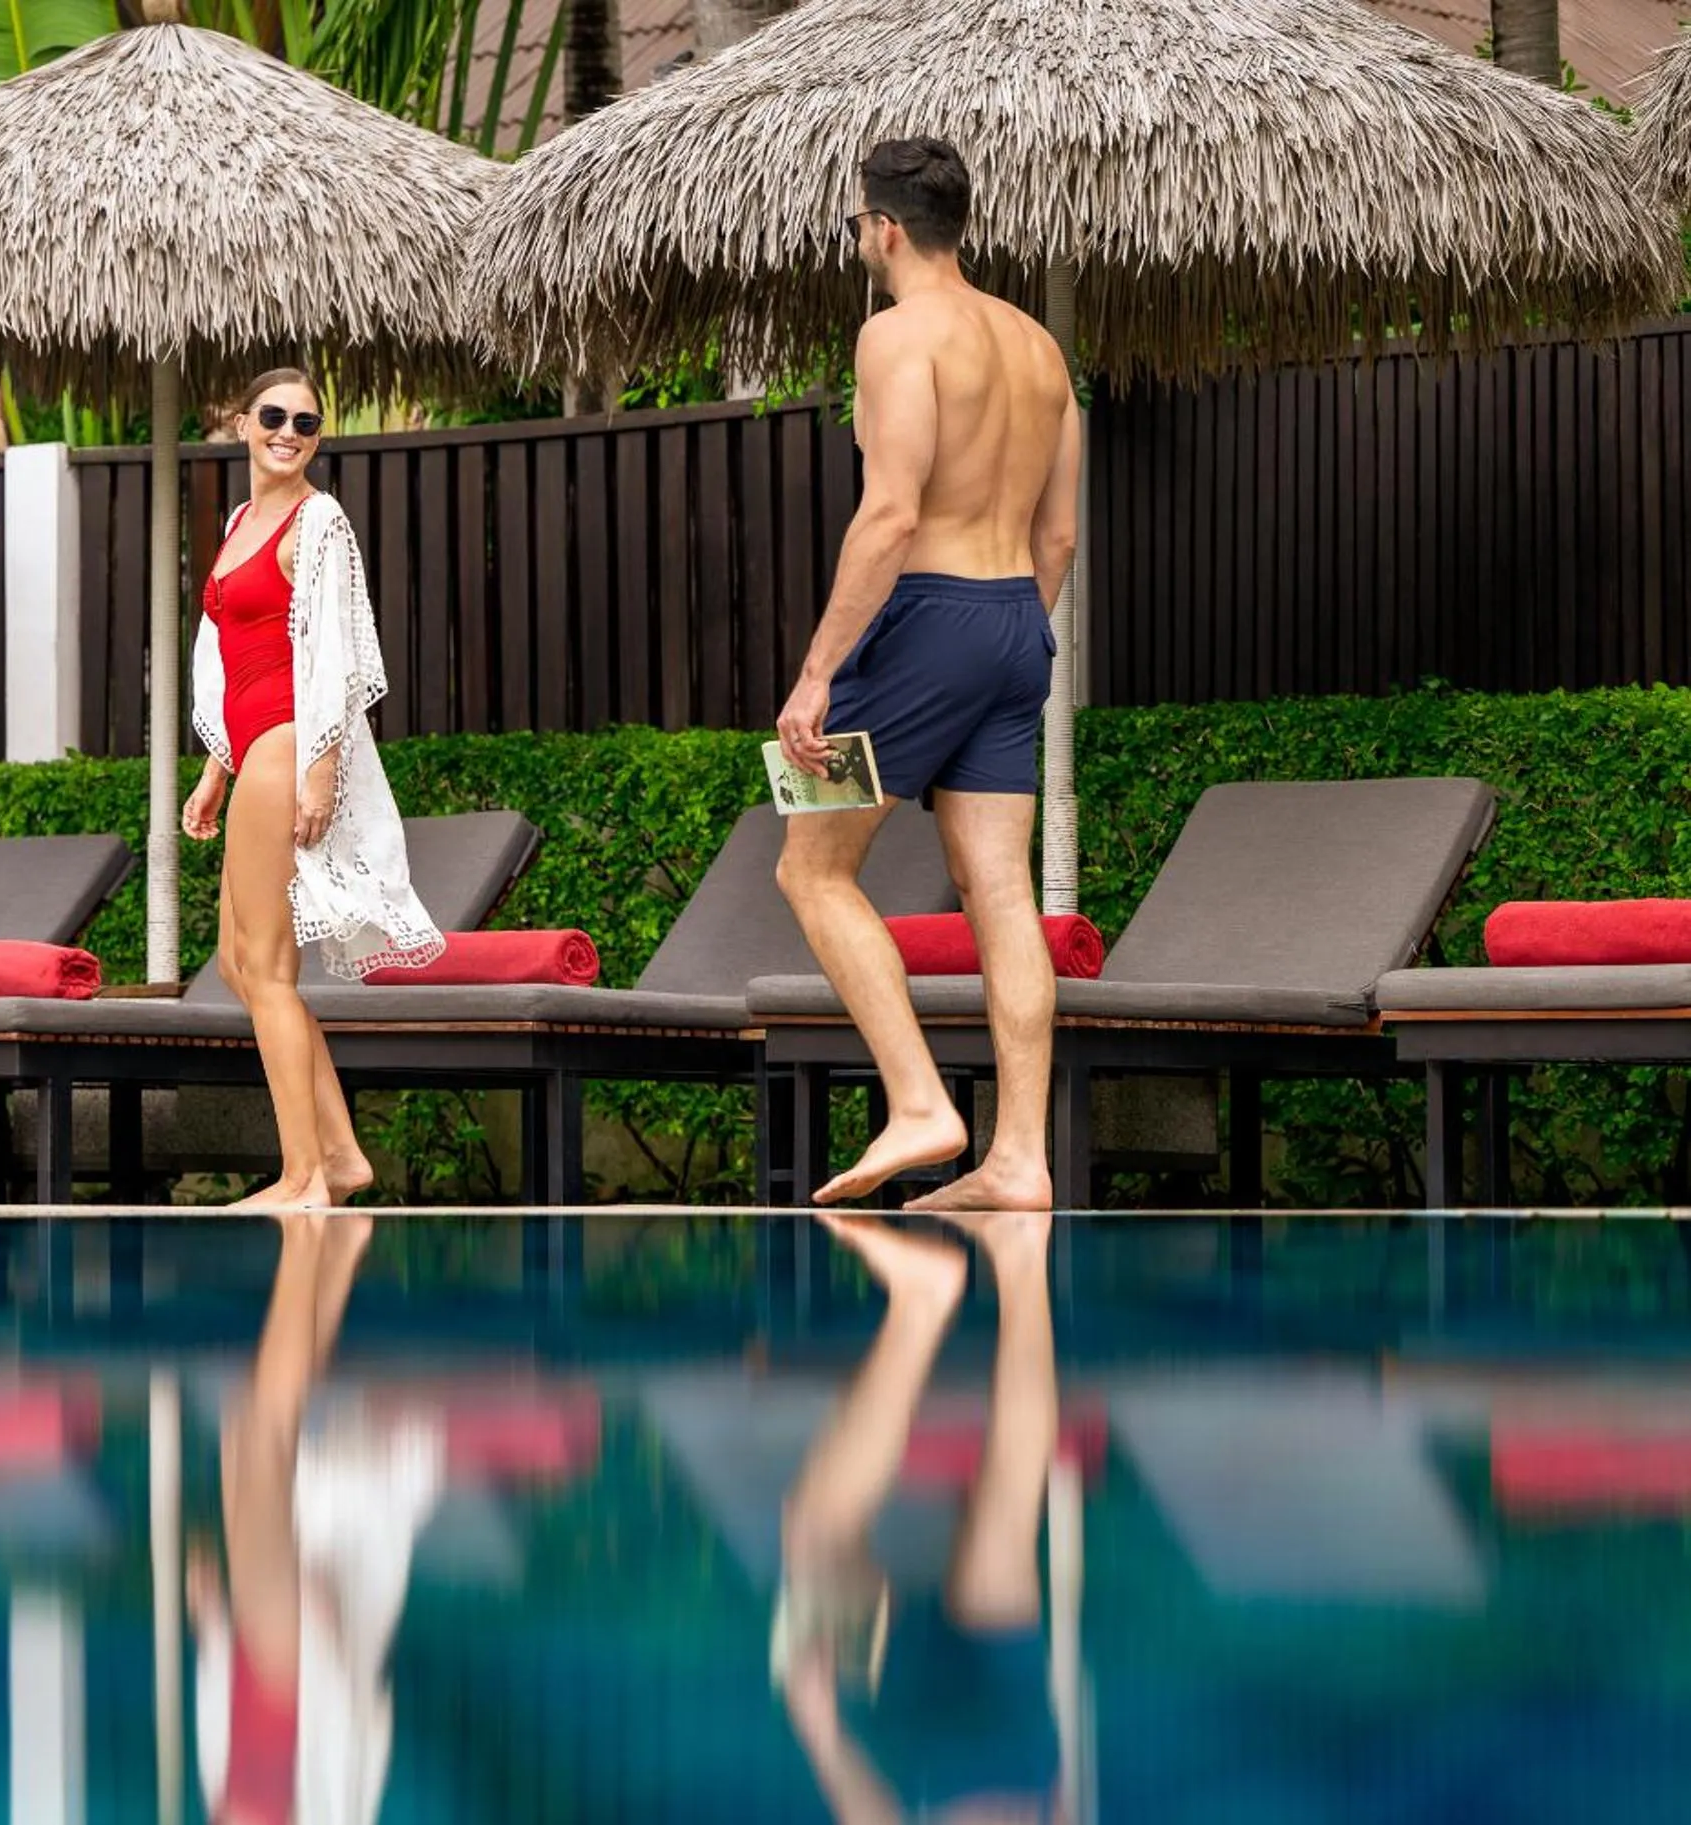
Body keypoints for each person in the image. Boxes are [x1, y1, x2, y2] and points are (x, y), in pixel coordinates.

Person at [772, 138, 1082, 1213]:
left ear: (883, 229)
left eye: (855, 223)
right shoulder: (1039, 349)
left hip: (922, 619)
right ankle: (1018, 1159)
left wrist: (818, 675)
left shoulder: (894, 335)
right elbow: (1057, 537)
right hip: (1012, 626)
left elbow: (890, 511)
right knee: (1000, 893)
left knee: (806, 870)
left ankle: (917, 1102)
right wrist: (1003, 647)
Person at [182, 369, 442, 1210]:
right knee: (237, 963)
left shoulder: (318, 519)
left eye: (306, 421)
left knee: (271, 967)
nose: (290, 430)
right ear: (240, 424)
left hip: (291, 742)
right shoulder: (235, 522)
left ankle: (302, 1176)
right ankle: (338, 1154)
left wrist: (320, 768)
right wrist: (214, 767)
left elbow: (335, 648)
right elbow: (224, 657)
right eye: (274, 416)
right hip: (249, 747)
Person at [774, 1210, 1068, 1825]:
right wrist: (821, 1733)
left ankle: (1020, 1260)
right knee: (818, 1533)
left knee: (1009, 1503)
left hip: (1016, 1768)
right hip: (934, 1768)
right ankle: (920, 1301)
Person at [189, 1214, 437, 1825]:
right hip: (300, 1651)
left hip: (259, 1642)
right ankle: (312, 1252)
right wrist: (324, 1637)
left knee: (251, 1424)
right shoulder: (334, 1810)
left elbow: (226, 1721)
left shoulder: (222, 1800)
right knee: (265, 1426)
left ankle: (334, 1253)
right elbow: (364, 1723)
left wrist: (213, 1622)